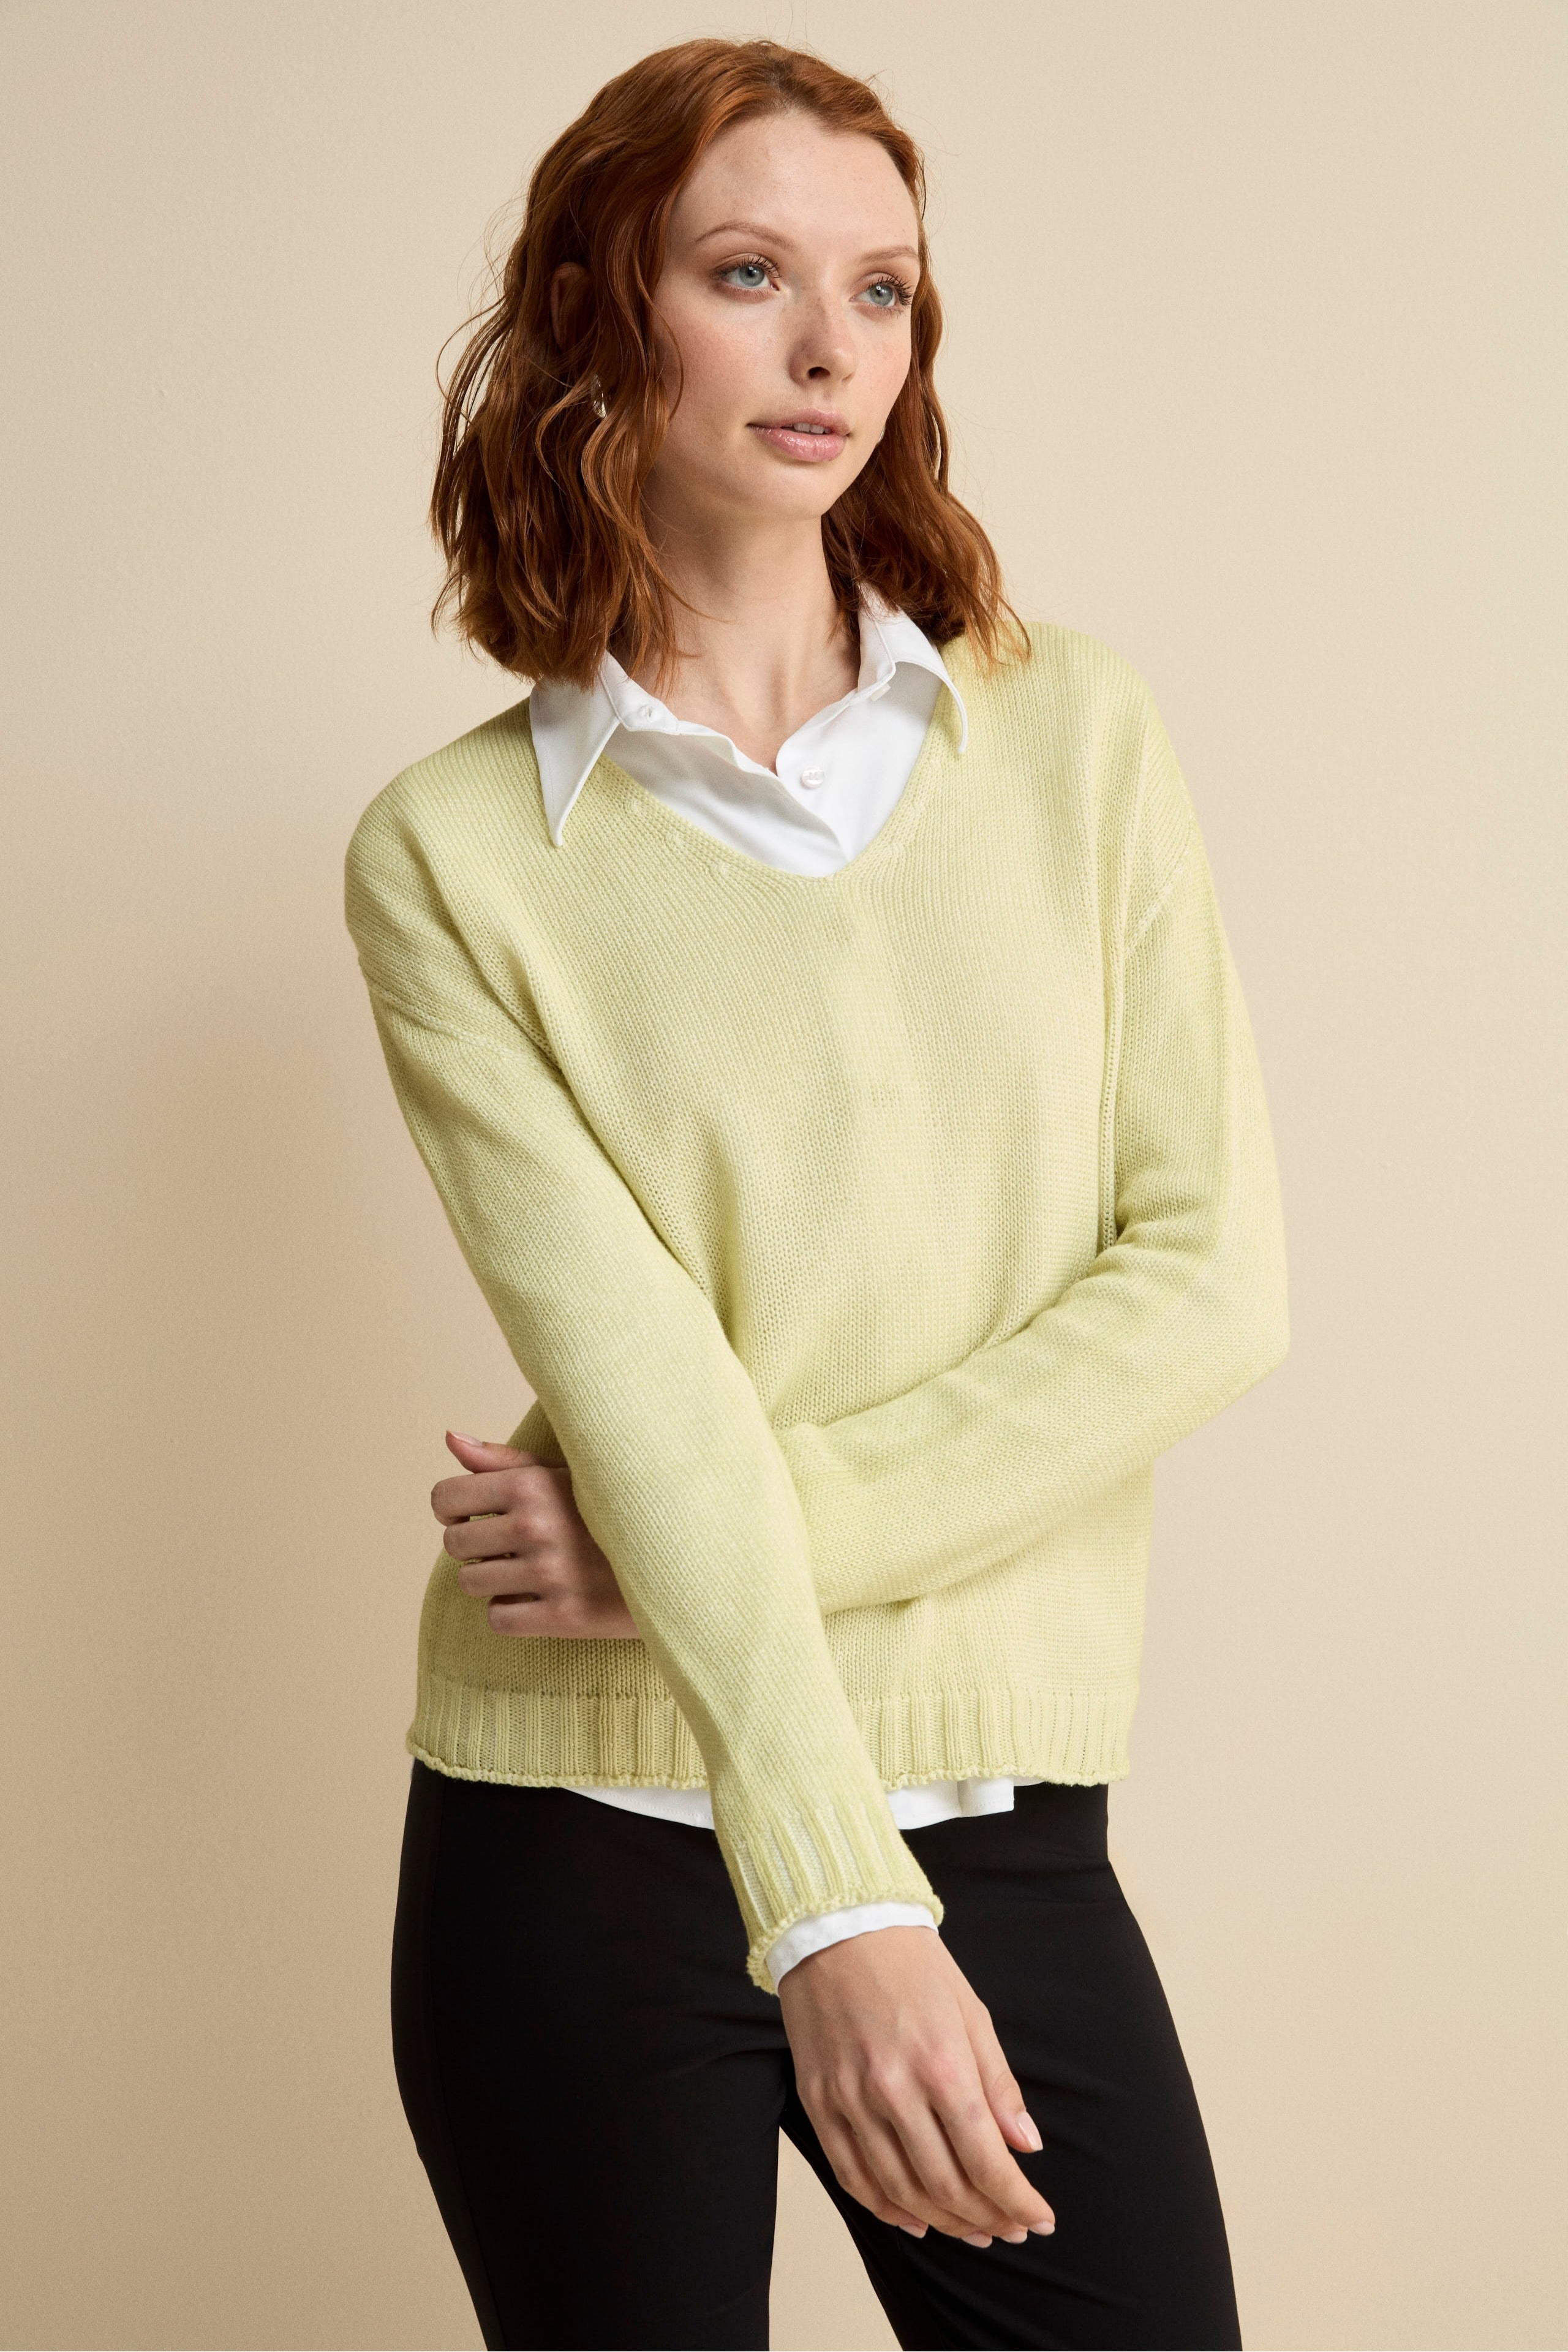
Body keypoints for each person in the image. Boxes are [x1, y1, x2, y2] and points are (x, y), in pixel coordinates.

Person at [343, 36, 1289, 2352]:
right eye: (749, 273)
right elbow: (634, 1375)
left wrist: (686, 1547)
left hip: (989, 1805)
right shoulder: (453, 857)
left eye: (882, 289)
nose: (831, 347)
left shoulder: (1075, 739)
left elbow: (1208, 1285)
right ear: (603, 311)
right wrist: (830, 1901)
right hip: (581, 1837)